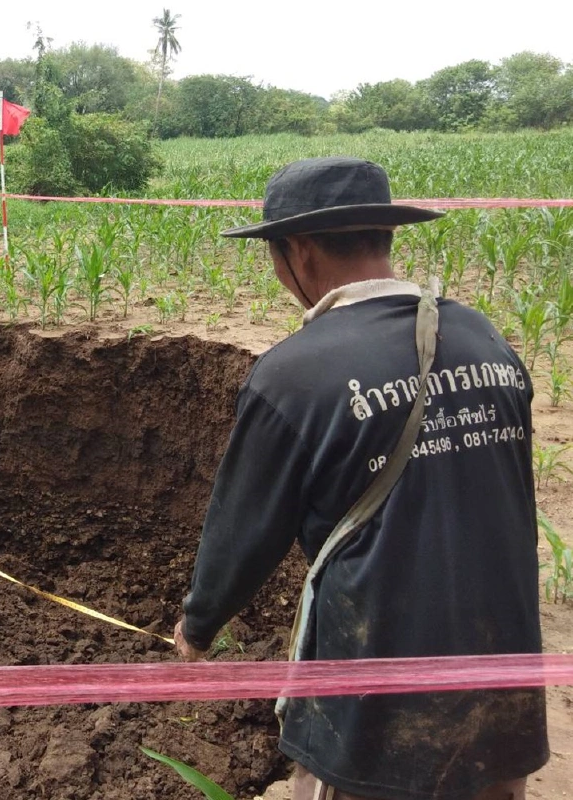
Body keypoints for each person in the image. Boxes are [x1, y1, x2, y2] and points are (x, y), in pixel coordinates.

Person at [173, 157, 548, 800]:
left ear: (300, 249)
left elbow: (244, 530)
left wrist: (198, 624)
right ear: (383, 236)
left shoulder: (294, 375)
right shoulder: (484, 337)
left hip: (377, 702)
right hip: (501, 678)